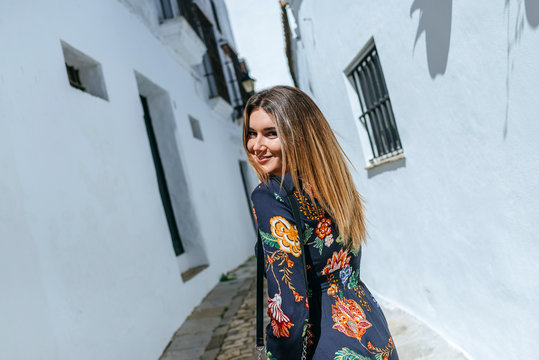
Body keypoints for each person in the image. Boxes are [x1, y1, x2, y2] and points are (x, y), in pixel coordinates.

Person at [243, 86, 399, 360]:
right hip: (372, 334)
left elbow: (289, 306)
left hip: (327, 345)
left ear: (297, 136)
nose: (257, 146)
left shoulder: (270, 195)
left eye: (271, 133)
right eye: (251, 134)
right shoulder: (331, 183)